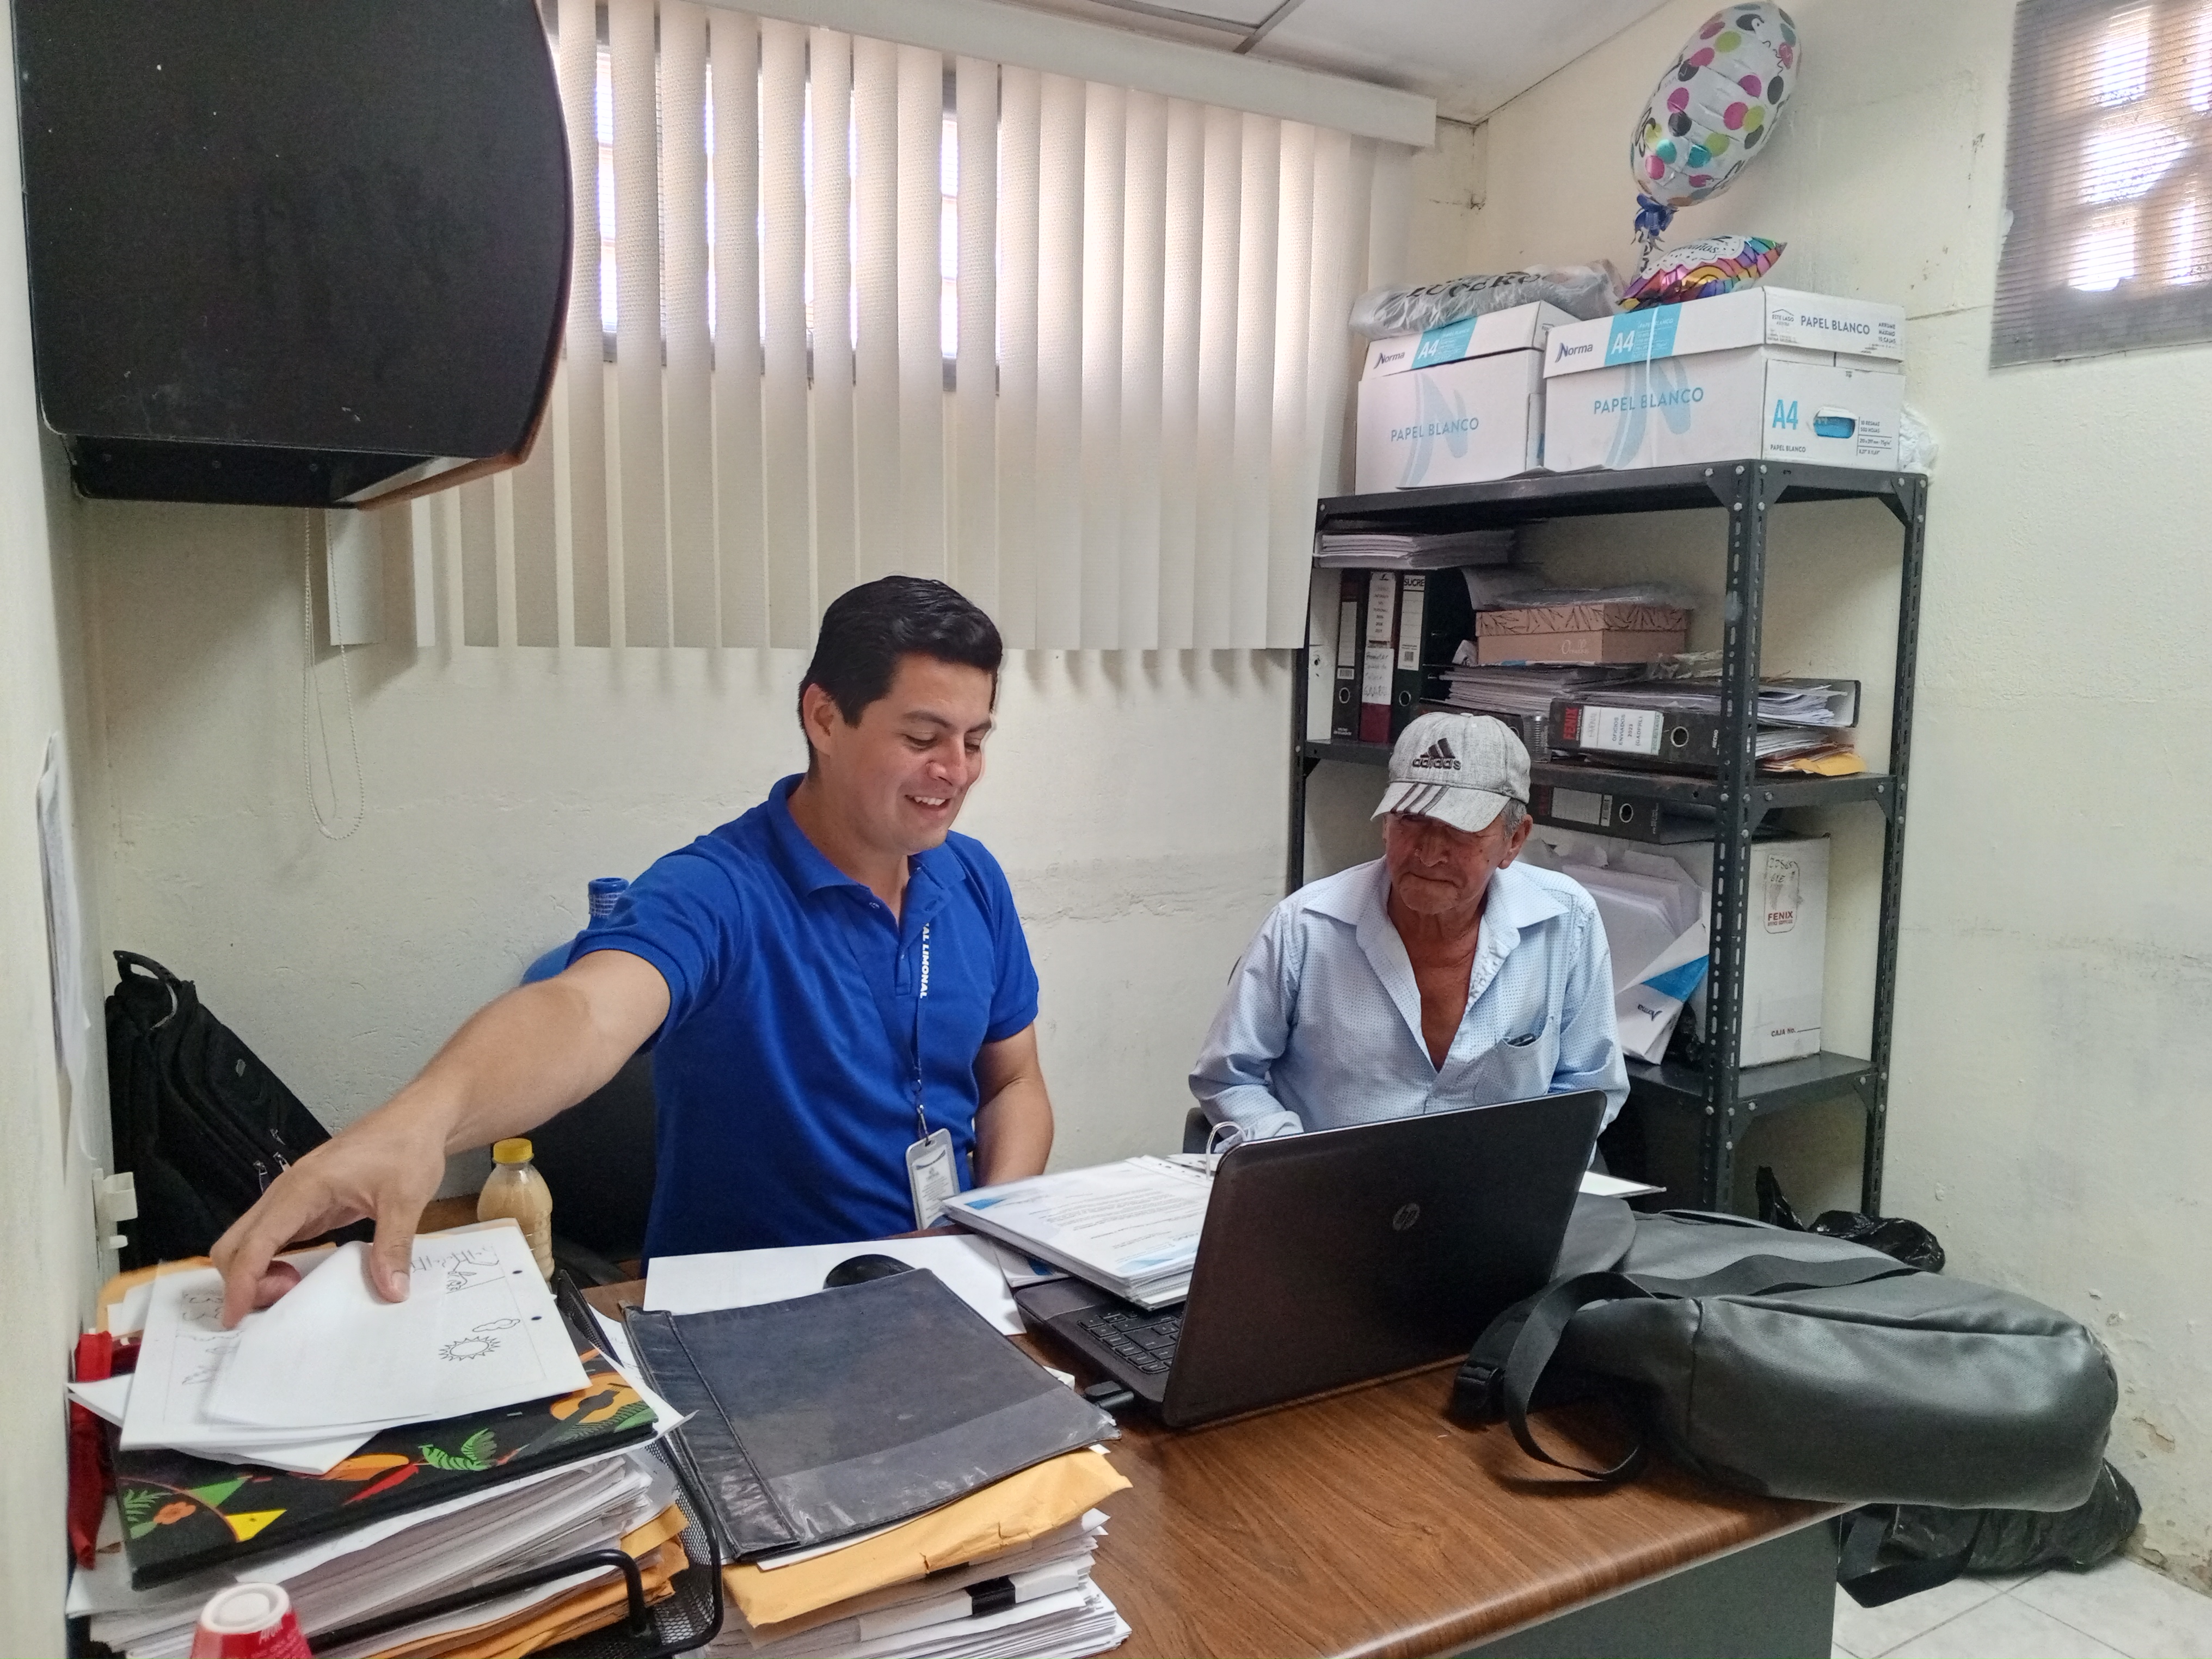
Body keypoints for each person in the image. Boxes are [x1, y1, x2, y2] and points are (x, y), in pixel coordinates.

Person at [213, 576, 1053, 1325]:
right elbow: (582, 1010)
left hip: (943, 1300)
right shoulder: (716, 892)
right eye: (923, 738)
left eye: (975, 740)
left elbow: (1014, 1082)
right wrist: (423, 1120)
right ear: (824, 717)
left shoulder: (971, 878)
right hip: (752, 1326)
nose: (956, 771)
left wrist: (976, 1232)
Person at [1190, 709, 1626, 1145]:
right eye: (1411, 820)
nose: (1430, 853)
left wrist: (1529, 1167)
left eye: (1461, 829)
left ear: (1514, 840)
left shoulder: (1567, 920)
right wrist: (1291, 1158)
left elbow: (1590, 1087)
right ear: (1386, 823)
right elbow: (1229, 1076)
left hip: (1498, 1180)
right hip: (1332, 1180)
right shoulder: (1303, 927)